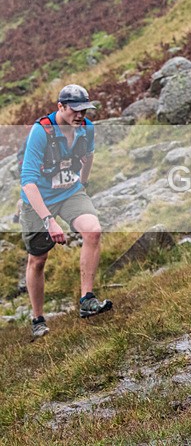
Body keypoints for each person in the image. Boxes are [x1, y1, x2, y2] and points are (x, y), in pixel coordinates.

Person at [20, 84, 111, 338]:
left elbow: (89, 155)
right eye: (75, 109)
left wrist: (84, 182)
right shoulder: (41, 131)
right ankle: (38, 319)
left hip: (70, 191)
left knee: (93, 231)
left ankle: (87, 301)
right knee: (38, 260)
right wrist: (48, 220)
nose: (80, 115)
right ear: (61, 107)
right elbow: (27, 181)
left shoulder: (86, 128)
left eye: (85, 109)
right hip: (38, 199)